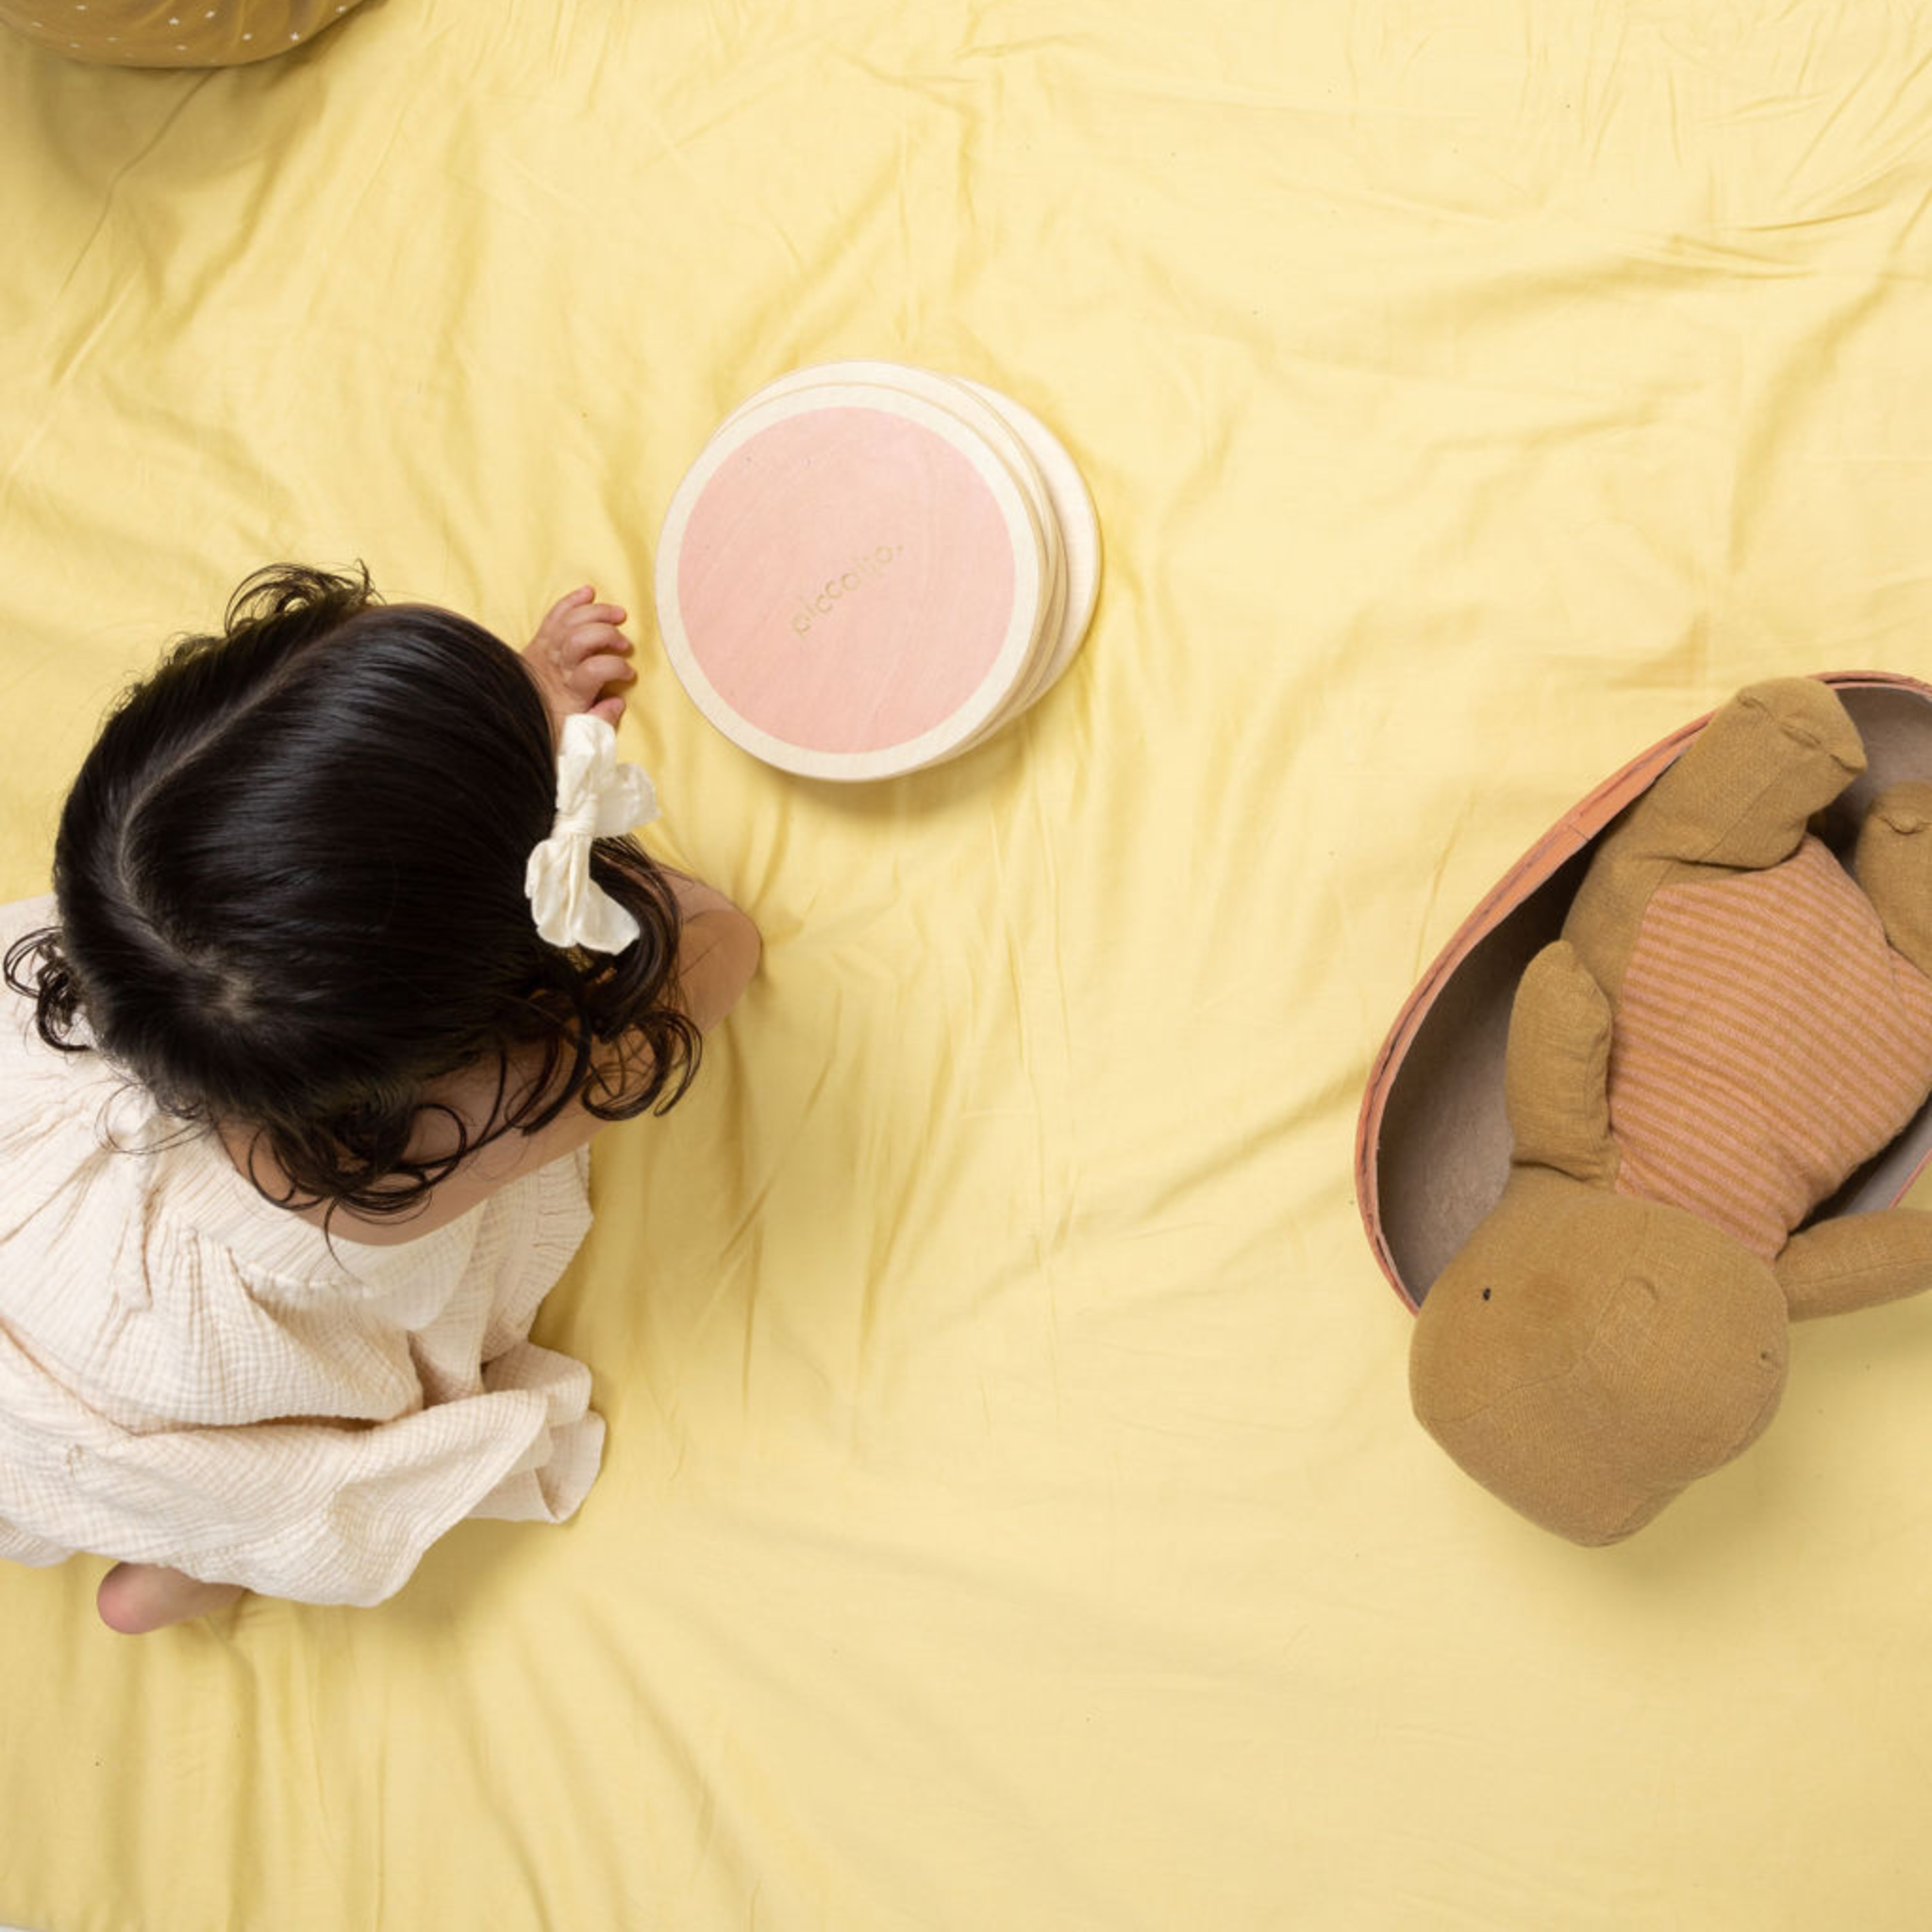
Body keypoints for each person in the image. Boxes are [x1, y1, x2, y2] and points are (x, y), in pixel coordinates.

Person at [0, 564, 760, 1633]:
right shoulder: (383, 1172)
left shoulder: (137, 923)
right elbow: (715, 940)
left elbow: (344, 870)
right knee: (270, 1485)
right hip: (173, 1390)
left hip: (28, 1302)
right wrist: (572, 812)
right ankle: (188, 1562)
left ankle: (147, 1525)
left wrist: (515, 711)